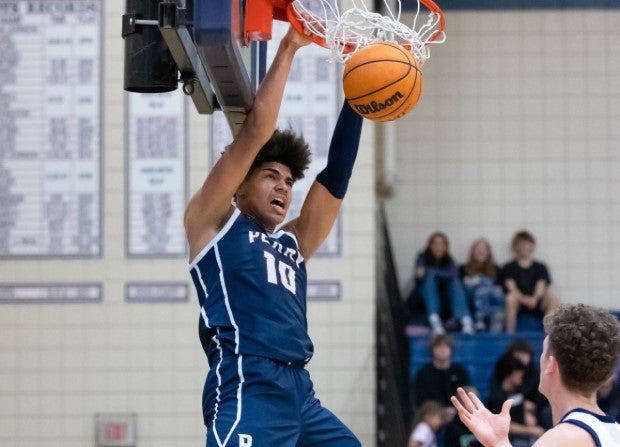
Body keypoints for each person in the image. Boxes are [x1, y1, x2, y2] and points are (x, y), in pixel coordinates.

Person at [184, 26, 364, 447]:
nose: (283, 187)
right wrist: (289, 47)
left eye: (288, 181)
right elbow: (254, 135)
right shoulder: (213, 224)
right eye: (270, 176)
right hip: (250, 382)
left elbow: (336, 176)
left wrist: (360, 91)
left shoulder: (292, 243)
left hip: (300, 391)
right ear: (240, 185)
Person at [451, 304, 620, 446]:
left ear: (551, 365)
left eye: (542, 352)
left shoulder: (561, 439)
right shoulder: (615, 430)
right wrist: (499, 443)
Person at [413, 232, 474, 335]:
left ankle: (465, 320)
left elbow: (453, 274)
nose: (438, 247)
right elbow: (419, 278)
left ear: (446, 247)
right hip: (424, 295)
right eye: (435, 244)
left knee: (455, 282)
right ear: (430, 246)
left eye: (442, 244)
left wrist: (429, 272)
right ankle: (434, 321)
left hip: (444, 298)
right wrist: (439, 274)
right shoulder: (422, 257)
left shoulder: (449, 260)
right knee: (429, 281)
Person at [501, 231, 559, 333]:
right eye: (521, 244)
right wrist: (523, 299)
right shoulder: (509, 267)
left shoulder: (540, 267)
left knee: (553, 299)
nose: (524, 247)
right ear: (515, 246)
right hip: (518, 303)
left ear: (532, 245)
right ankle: (510, 336)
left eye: (527, 243)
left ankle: (548, 336)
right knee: (510, 298)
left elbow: (541, 286)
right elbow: (511, 287)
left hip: (537, 303)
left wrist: (535, 298)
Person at [486, 354, 544, 445]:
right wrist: (531, 430)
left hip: (527, 438)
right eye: (518, 372)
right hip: (510, 440)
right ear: (510, 373)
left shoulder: (518, 394)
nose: (522, 375)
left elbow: (529, 417)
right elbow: (504, 426)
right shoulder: (496, 397)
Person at [413, 334, 470, 409]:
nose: (442, 350)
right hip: (432, 412)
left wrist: (454, 410)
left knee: (469, 391)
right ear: (432, 350)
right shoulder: (423, 372)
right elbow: (419, 398)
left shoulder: (460, 371)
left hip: (457, 411)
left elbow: (467, 391)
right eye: (438, 347)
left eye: (446, 346)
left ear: (451, 349)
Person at [460, 238, 505, 332]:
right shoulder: (463, 269)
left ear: (488, 252)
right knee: (482, 289)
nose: (481, 251)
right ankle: (480, 319)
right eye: (478, 248)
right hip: (472, 301)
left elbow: (500, 289)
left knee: (490, 290)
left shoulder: (497, 269)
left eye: (484, 248)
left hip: (492, 302)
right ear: (472, 251)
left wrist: (478, 281)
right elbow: (463, 288)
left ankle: (489, 323)